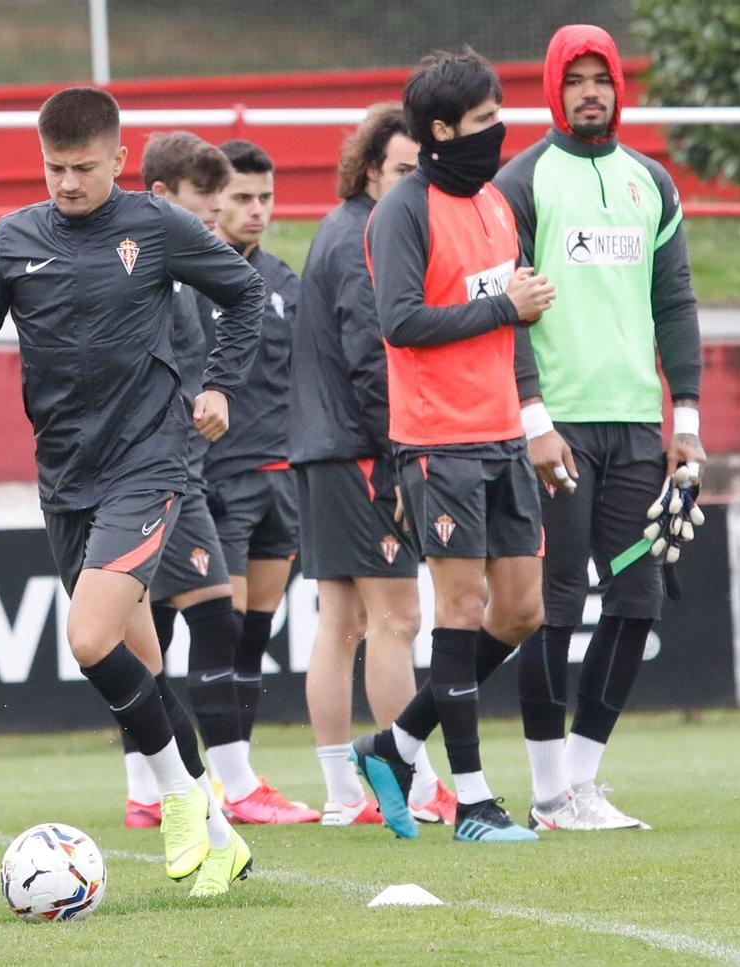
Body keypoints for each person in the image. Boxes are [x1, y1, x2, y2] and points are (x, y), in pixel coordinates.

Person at [0, 87, 259, 895]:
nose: (67, 184)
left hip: (147, 464)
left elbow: (242, 294)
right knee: (141, 662)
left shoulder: (157, 226)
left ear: (118, 157)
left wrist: (218, 387)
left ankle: (178, 797)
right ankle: (222, 833)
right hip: (66, 478)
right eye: (53, 169)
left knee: (87, 640)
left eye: (82, 168)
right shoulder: (16, 239)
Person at [493, 24, 703, 831]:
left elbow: (675, 305)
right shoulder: (523, 182)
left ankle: (580, 780)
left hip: (633, 431)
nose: (590, 92)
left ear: (619, 88)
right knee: (555, 600)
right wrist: (532, 414)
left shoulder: (653, 182)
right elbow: (505, 310)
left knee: (638, 594)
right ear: (553, 87)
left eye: (602, 79)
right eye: (575, 79)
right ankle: (547, 792)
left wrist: (684, 415)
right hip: (559, 429)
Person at [349, 48, 556, 843]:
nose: (498, 133)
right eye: (482, 121)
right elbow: (400, 321)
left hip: (503, 435)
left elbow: (516, 319)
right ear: (440, 131)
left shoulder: (497, 205)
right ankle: (471, 801)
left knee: (520, 611)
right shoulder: (403, 211)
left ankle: (395, 744)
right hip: (440, 440)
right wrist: (504, 306)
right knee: (463, 609)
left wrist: (534, 417)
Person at [137, 131, 316, 825]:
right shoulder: (171, 276)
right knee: (199, 622)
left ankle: (175, 786)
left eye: (261, 198)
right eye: (232, 198)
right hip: (200, 476)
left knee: (237, 632)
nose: (247, 211)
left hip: (275, 473)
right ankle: (219, 785)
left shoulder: (277, 282)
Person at [290, 103, 455, 826]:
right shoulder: (365, 236)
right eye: (401, 169)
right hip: (360, 450)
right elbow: (370, 355)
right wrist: (396, 464)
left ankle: (341, 793)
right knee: (398, 616)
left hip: (321, 448)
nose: (415, 182)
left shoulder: (337, 230)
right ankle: (415, 783)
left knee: (342, 621)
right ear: (367, 171)